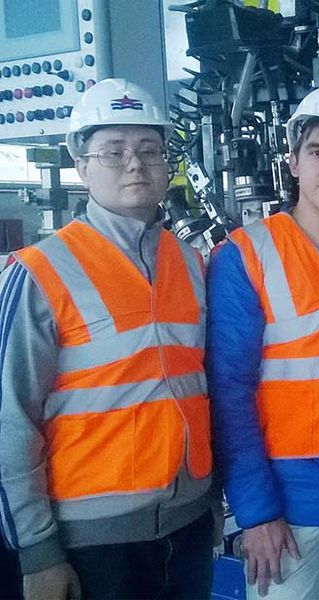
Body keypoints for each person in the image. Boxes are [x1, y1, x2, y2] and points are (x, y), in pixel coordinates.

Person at [0, 78, 217, 599]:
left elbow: (200, 389)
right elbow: (9, 421)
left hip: (188, 528)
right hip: (92, 543)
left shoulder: (190, 263)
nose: (135, 164)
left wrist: (209, 504)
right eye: (113, 151)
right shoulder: (40, 272)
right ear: (82, 166)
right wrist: (38, 553)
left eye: (149, 150)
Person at [206, 84, 319, 600]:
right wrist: (256, 511)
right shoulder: (246, 256)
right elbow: (229, 394)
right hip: (286, 509)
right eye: (317, 151)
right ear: (293, 162)